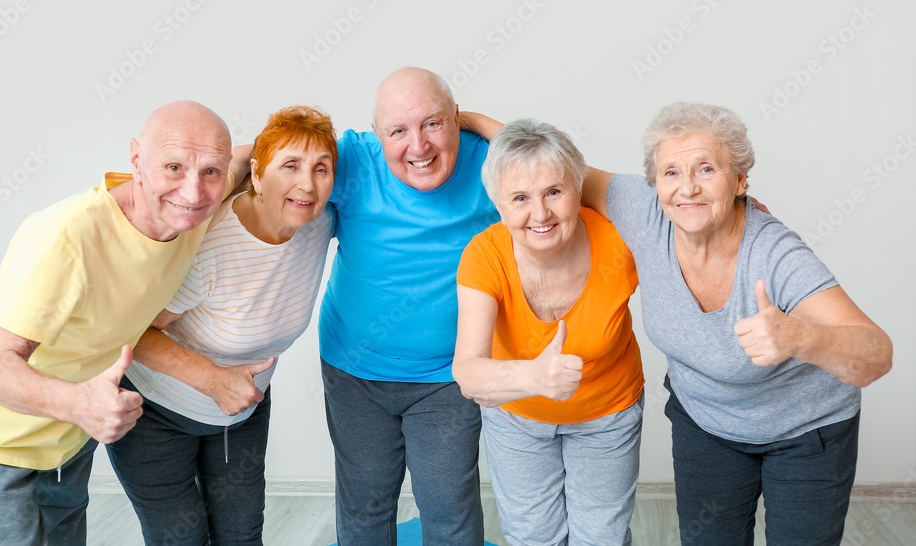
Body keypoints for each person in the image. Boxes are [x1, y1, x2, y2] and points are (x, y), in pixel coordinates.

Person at [0, 100, 250, 546]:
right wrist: (79, 404)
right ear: (136, 159)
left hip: (68, 440)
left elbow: (246, 157)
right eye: (173, 167)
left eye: (210, 171)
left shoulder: (192, 206)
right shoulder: (67, 238)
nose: (193, 192)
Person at [579, 102, 893, 545]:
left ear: (741, 180)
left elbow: (876, 354)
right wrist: (462, 121)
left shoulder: (775, 254)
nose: (687, 187)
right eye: (671, 172)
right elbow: (551, 166)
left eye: (707, 169)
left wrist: (800, 337)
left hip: (806, 431)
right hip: (707, 423)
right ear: (655, 184)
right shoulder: (645, 212)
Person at [106, 106, 338, 546]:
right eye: (289, 166)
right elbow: (129, 329)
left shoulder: (318, 220)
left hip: (242, 412)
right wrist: (211, 379)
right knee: (182, 539)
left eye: (321, 169)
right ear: (256, 170)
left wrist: (468, 122)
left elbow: (406, 154)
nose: (306, 184)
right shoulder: (208, 240)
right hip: (154, 412)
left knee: (241, 536)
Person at [319, 66, 501, 545]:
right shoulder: (351, 161)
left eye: (434, 124)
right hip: (354, 370)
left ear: (456, 120)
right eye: (398, 131)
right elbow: (270, 156)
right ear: (377, 135)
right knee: (365, 502)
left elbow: (556, 167)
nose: (418, 146)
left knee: (448, 507)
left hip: (448, 377)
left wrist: (480, 123)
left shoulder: (489, 163)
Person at [452, 119, 645, 546]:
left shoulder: (620, 242)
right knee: (533, 538)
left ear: (578, 190)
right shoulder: (485, 256)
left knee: (602, 539)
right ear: (498, 205)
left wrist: (736, 214)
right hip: (516, 418)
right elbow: (467, 371)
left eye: (553, 193)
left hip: (607, 413)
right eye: (520, 198)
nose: (539, 214)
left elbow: (684, 228)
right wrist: (534, 378)